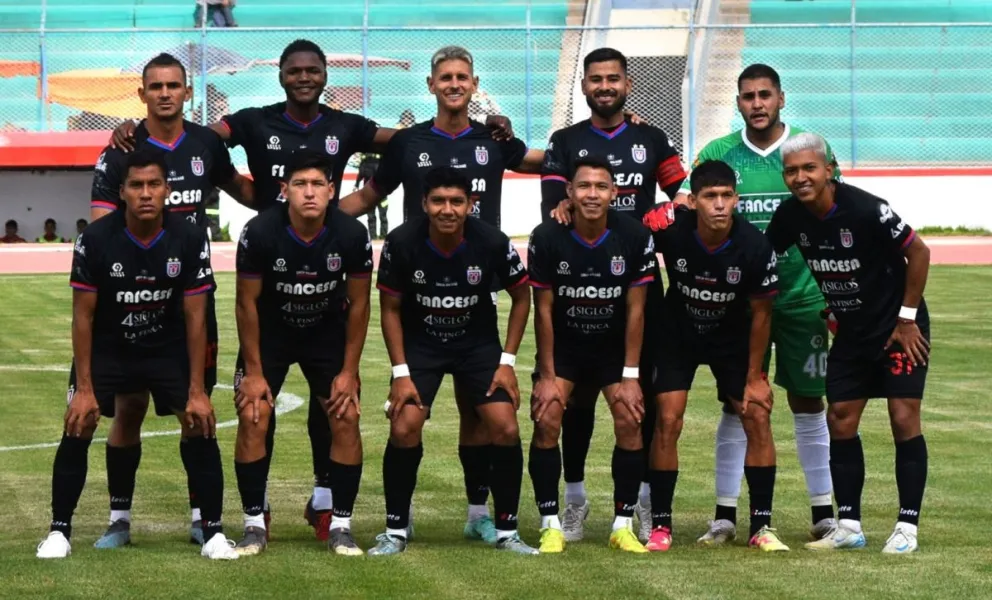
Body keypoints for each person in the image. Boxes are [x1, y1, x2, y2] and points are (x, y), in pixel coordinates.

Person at [110, 42, 514, 538]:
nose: (304, 77)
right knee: (256, 408)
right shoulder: (253, 123)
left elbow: (405, 140)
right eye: (295, 71)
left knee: (336, 409)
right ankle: (254, 522)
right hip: (274, 291)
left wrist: (482, 128)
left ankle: (328, 506)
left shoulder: (345, 127)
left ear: (324, 75)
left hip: (325, 303)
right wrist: (135, 127)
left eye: (313, 70)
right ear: (281, 75)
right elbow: (201, 140)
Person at [339, 45, 544, 543]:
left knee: (484, 418)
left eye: (463, 78)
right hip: (420, 296)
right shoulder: (408, 143)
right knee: (409, 420)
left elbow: (552, 162)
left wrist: (613, 135)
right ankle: (398, 523)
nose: (454, 84)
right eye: (445, 77)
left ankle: (481, 515)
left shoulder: (494, 139)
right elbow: (369, 196)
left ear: (474, 85)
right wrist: (313, 218)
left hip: (478, 292)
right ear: (431, 85)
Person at [35, 149, 237, 560]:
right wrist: (85, 389)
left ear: (167, 190)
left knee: (198, 420)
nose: (146, 193)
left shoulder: (191, 237)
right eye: (136, 186)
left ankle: (213, 532)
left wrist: (197, 389)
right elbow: (83, 318)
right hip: (111, 346)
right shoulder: (94, 239)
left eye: (154, 185)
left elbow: (197, 317)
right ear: (122, 192)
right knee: (80, 421)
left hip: (166, 346)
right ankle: (60, 531)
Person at [88, 52, 251, 548]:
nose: (164, 93)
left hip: (189, 302)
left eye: (173, 85)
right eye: (155, 86)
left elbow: (243, 189)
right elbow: (99, 227)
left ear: (187, 92)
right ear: (142, 94)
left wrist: (289, 188)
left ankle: (205, 519)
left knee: (195, 411)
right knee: (130, 408)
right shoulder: (121, 148)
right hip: (130, 304)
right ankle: (119, 519)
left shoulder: (204, 143)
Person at [673, 64, 839, 544]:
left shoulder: (808, 151)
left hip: (802, 297)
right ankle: (725, 515)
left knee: (809, 401)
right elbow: (690, 211)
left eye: (765, 94)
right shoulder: (718, 154)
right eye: (748, 96)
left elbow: (833, 216)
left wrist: (836, 294)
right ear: (738, 103)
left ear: (781, 98)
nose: (757, 103)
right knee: (738, 402)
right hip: (736, 305)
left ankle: (823, 511)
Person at [543, 47, 686, 543]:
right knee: (577, 403)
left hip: (637, 286)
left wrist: (663, 219)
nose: (605, 86)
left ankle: (642, 502)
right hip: (578, 288)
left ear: (627, 84)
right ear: (583, 86)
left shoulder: (652, 138)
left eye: (614, 78)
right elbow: (553, 208)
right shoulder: (565, 141)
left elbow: (680, 193)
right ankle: (576, 499)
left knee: (637, 398)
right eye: (596, 79)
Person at [767, 133, 932, 554]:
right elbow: (760, 255)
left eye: (809, 168)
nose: (801, 177)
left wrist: (908, 318)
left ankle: (906, 527)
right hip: (850, 332)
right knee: (840, 417)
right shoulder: (790, 217)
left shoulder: (865, 208)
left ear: (828, 169)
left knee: (902, 416)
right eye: (791, 171)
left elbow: (921, 252)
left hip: (898, 329)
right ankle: (849, 526)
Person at [368, 167, 535, 556]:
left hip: (476, 347)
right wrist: (400, 373)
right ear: (424, 204)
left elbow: (523, 296)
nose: (448, 209)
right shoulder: (402, 242)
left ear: (470, 204)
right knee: (406, 423)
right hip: (421, 347)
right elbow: (389, 308)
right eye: (439, 201)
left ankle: (502, 527)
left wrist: (506, 361)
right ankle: (396, 527)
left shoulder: (492, 241)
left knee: (504, 426)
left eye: (457, 201)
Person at [641, 159, 788, 552]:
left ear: (737, 200)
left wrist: (755, 375)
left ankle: (761, 527)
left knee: (756, 414)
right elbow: (624, 233)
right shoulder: (671, 229)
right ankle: (661, 526)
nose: (719, 204)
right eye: (710, 196)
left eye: (726, 196)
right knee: (668, 421)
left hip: (732, 338)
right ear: (693, 201)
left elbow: (762, 314)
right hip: (679, 335)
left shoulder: (755, 246)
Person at [232, 151, 373, 556]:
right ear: (284, 191)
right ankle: (255, 523)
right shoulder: (259, 232)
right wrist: (254, 372)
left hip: (325, 334)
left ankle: (341, 525)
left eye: (317, 185)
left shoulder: (350, 234)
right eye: (299, 184)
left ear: (331, 190)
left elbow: (360, 305)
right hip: (271, 335)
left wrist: (350, 371)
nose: (309, 193)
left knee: (344, 413)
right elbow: (246, 305)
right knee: (252, 413)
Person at [526, 157, 656, 554]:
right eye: (584, 186)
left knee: (630, 420)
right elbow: (543, 310)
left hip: (613, 351)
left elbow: (637, 310)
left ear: (614, 193)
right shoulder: (546, 236)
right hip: (566, 348)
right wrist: (547, 375)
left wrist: (631, 375)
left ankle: (621, 524)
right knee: (547, 416)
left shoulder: (633, 236)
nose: (592, 194)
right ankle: (552, 522)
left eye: (601, 187)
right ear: (569, 192)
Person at [353, 152, 387, 239]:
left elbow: (360, 173)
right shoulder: (382, 160)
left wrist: (356, 185)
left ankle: (373, 236)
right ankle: (382, 236)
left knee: (372, 216)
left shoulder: (365, 160)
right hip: (381, 193)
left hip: (370, 193)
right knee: (382, 216)